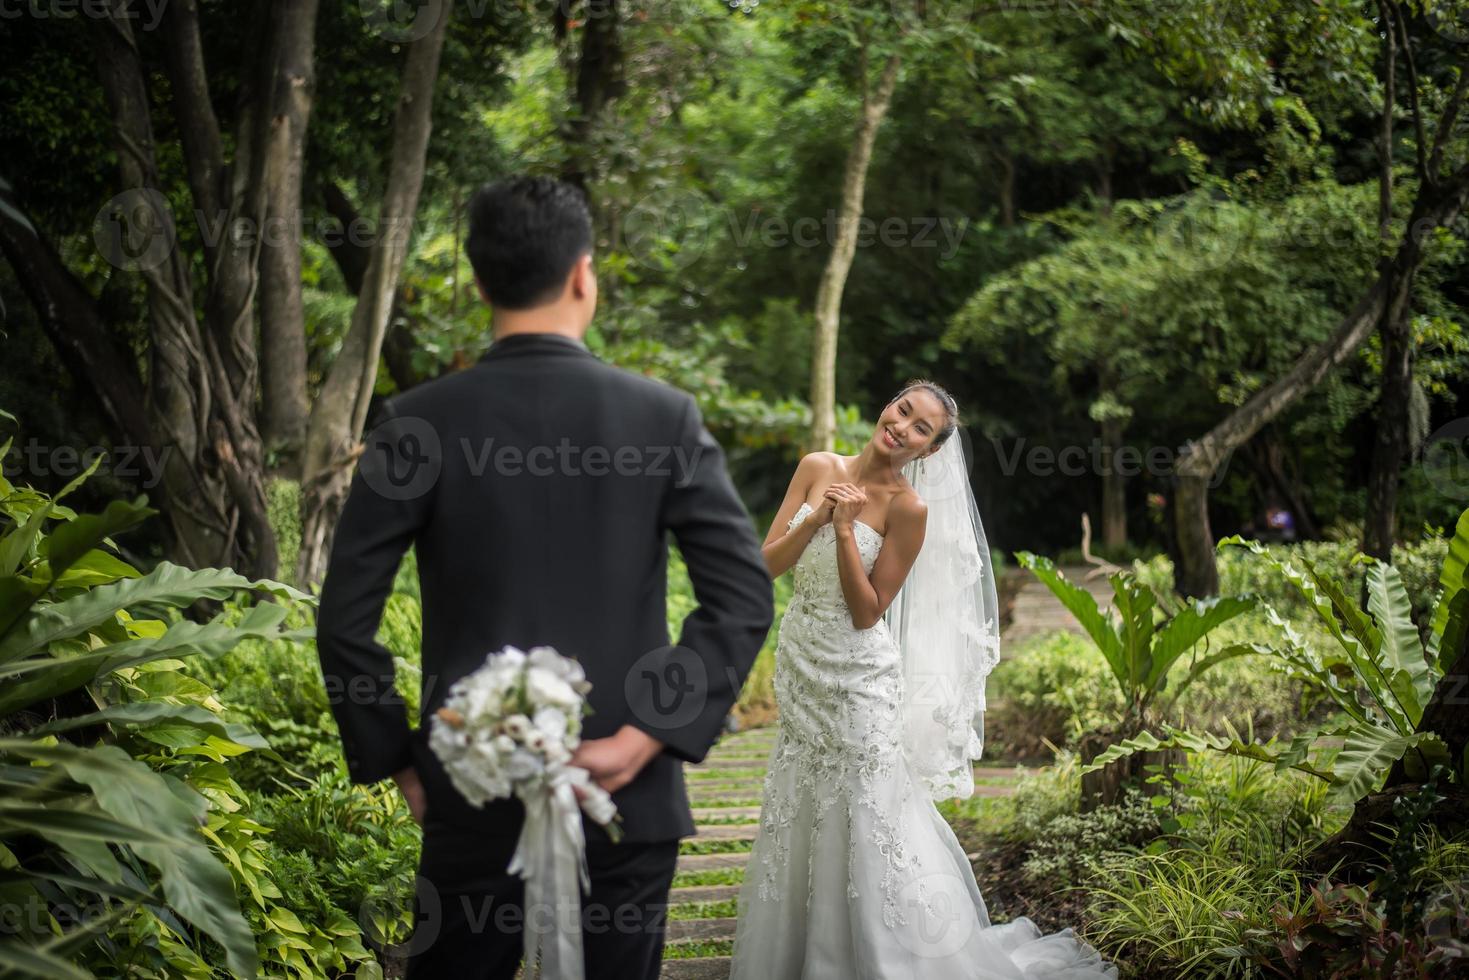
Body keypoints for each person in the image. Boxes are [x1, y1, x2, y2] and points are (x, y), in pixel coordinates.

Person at [315, 176, 774, 979]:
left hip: (469, 792)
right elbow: (740, 593)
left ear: (480, 281)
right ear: (583, 275)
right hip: (627, 799)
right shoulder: (661, 416)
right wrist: (645, 735)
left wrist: (401, 761)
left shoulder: (417, 421)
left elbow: (345, 617)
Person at [729, 380, 1116, 979]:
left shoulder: (909, 510)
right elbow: (765, 565)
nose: (903, 427)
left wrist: (843, 533)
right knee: (800, 797)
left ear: (929, 450)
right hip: (802, 663)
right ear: (888, 406)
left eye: (920, 429)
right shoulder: (816, 467)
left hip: (859, 678)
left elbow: (866, 612)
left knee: (867, 808)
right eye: (903, 411)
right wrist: (819, 519)